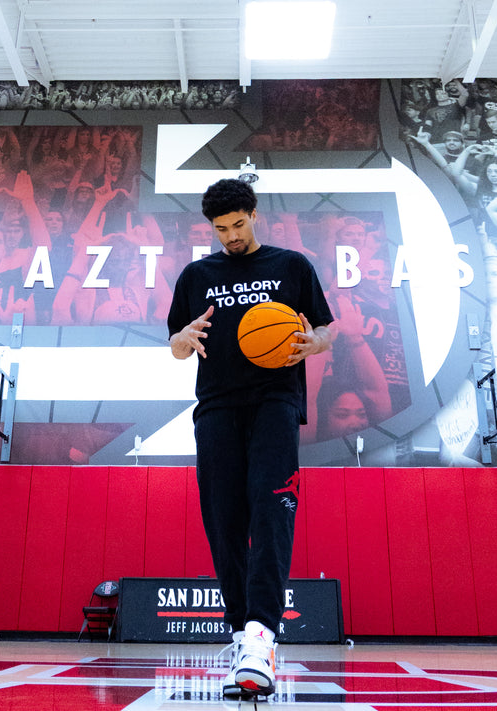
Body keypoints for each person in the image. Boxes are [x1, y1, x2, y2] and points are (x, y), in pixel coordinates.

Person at [167, 178, 334, 697]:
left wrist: (313, 343)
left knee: (270, 509)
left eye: (238, 225)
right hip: (216, 407)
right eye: (221, 229)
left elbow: (326, 329)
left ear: (254, 214)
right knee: (224, 521)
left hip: (274, 403)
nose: (231, 236)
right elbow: (176, 344)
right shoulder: (196, 275)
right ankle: (241, 632)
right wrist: (182, 339)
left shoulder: (291, 266)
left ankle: (262, 636)